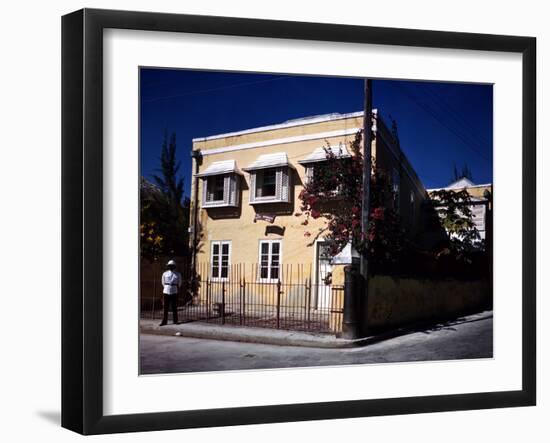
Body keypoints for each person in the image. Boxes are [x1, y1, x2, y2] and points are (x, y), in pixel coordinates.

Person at [159, 259, 181, 326]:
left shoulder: (178, 274)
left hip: (174, 291)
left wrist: (175, 288)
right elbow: (163, 282)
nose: (171, 267)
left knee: (174, 307)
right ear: (168, 266)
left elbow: (179, 283)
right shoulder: (165, 274)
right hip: (166, 291)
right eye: (170, 266)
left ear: (174, 266)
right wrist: (166, 287)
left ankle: (175, 320)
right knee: (165, 307)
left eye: (172, 266)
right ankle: (164, 321)